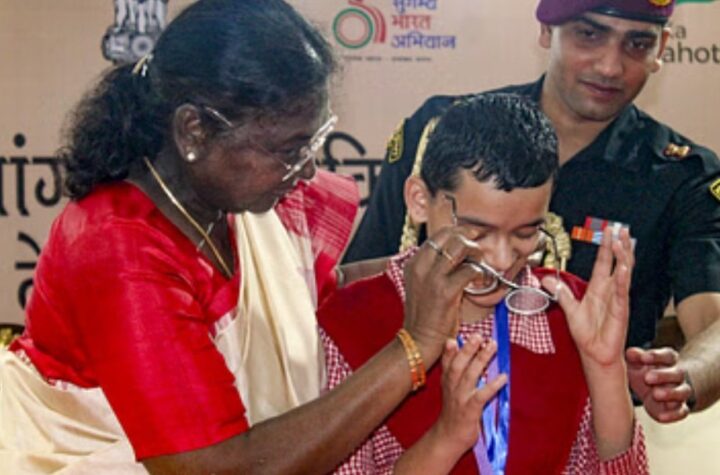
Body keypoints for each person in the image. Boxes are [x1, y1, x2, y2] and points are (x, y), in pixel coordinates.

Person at [0, 1, 486, 472]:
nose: (308, 170)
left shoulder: (234, 194)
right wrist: (413, 346)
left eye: (313, 143)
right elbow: (218, 468)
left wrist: (423, 269)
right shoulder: (118, 249)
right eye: (290, 150)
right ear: (194, 131)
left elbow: (309, 292)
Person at [343, 0, 720, 423]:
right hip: (416, 423)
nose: (610, 66)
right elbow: (358, 287)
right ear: (546, 31)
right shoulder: (442, 130)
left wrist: (682, 378)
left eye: (637, 43)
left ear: (662, 48)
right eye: (589, 34)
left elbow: (712, 319)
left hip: (585, 434)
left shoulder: (680, 175)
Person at [321, 93, 645, 474]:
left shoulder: (570, 311)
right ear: (420, 200)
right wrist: (445, 440)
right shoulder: (350, 321)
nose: (503, 259)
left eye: (526, 233)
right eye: (477, 232)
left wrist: (606, 370)